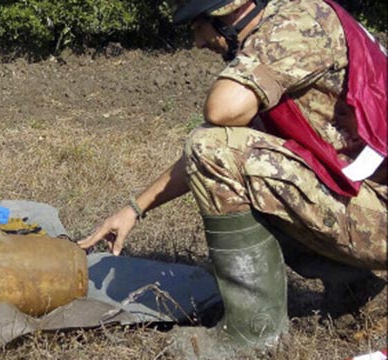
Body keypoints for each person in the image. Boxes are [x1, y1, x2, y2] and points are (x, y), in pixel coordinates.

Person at [79, 0, 386, 357]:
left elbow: (220, 114)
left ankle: (251, 336)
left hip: (377, 210)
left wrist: (244, 63)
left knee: (212, 147)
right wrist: (135, 208)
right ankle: (355, 294)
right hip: (369, 200)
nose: (197, 41)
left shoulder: (298, 22)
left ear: (229, 12)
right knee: (225, 153)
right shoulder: (293, 21)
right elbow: (220, 148)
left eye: (198, 25)